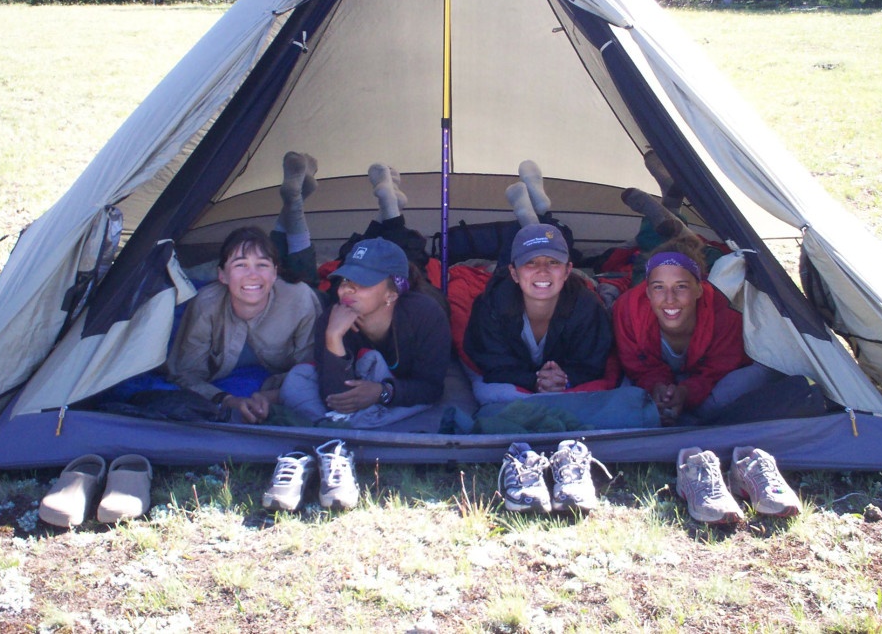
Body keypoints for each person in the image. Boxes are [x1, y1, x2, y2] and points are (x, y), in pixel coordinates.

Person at [612, 236, 802, 522]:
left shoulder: (724, 311)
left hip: (708, 386)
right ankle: (687, 421)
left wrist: (686, 393)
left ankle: (675, 421)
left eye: (681, 287)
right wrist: (658, 389)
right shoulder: (628, 308)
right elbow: (636, 365)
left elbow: (718, 369)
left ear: (700, 288)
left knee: (759, 374)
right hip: (656, 385)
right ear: (647, 291)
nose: (669, 299)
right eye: (659, 288)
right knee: (626, 394)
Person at [278, 237, 452, 428]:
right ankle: (356, 423)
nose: (348, 288)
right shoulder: (332, 319)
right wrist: (333, 338)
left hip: (399, 391)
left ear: (392, 294)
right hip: (357, 391)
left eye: (363, 281)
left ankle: (341, 425)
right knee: (298, 379)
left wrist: (382, 392)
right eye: (346, 279)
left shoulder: (426, 315)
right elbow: (336, 399)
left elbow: (431, 388)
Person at [165, 223, 323, 423]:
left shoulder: (299, 300)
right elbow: (186, 373)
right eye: (240, 265)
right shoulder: (206, 305)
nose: (253, 275)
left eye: (262, 265)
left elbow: (312, 368)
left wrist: (270, 397)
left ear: (275, 273)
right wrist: (227, 400)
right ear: (222, 275)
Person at [462, 222, 613, 405]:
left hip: (562, 383)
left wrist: (564, 379)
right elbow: (493, 364)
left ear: (567, 271)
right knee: (489, 393)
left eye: (553, 262)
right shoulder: (491, 305)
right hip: (514, 383)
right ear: (514, 273)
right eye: (531, 262)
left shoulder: (587, 307)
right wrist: (534, 381)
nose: (542, 271)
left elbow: (591, 365)